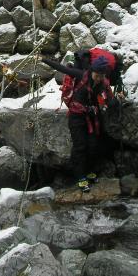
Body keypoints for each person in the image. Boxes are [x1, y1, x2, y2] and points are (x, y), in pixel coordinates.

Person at [40, 54, 118, 192]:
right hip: (76, 116)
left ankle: (90, 172)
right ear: (92, 71)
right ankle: (80, 176)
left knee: (93, 145)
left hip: (92, 116)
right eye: (97, 75)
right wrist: (43, 59)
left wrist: (116, 101)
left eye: (101, 76)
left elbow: (109, 99)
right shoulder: (81, 75)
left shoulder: (103, 83)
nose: (98, 78)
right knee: (80, 146)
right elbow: (62, 68)